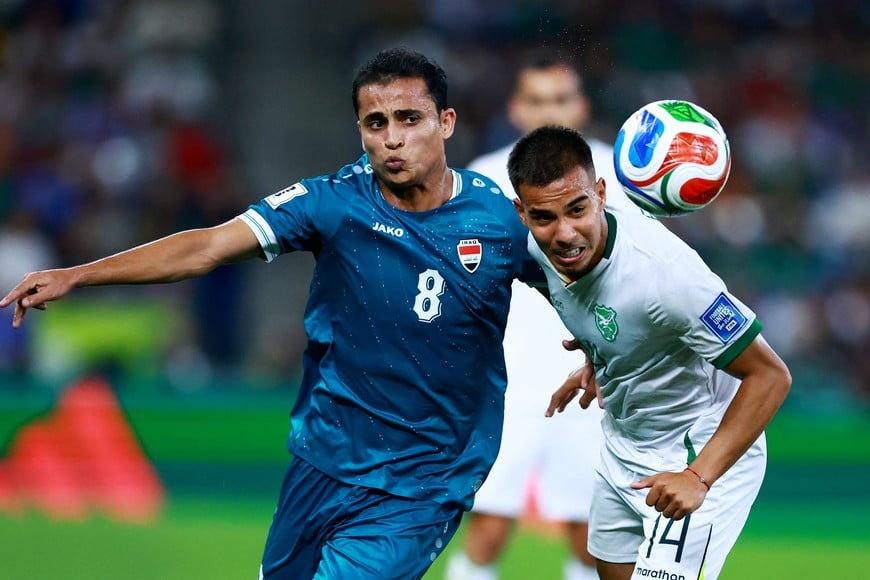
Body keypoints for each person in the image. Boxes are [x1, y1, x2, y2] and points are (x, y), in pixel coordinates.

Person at [0, 48, 557, 580]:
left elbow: (578, 284)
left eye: (409, 119)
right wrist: (79, 275)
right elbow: (209, 246)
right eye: (375, 122)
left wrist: (601, 356)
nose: (391, 138)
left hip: (426, 480)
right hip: (325, 459)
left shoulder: (501, 220)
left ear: (447, 122)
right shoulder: (331, 202)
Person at [505, 125, 791, 580]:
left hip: (694, 451)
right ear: (522, 213)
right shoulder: (537, 253)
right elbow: (581, 301)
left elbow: (772, 375)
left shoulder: (668, 277)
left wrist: (699, 476)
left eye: (577, 209)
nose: (563, 233)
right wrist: (600, 357)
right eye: (544, 217)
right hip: (623, 445)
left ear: (600, 193)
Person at [445, 51, 636, 580]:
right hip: (505, 378)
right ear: (515, 107)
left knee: (592, 535)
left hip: (600, 379)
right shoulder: (481, 180)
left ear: (581, 105)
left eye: (560, 98)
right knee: (487, 528)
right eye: (537, 99)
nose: (549, 111)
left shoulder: (619, 177)